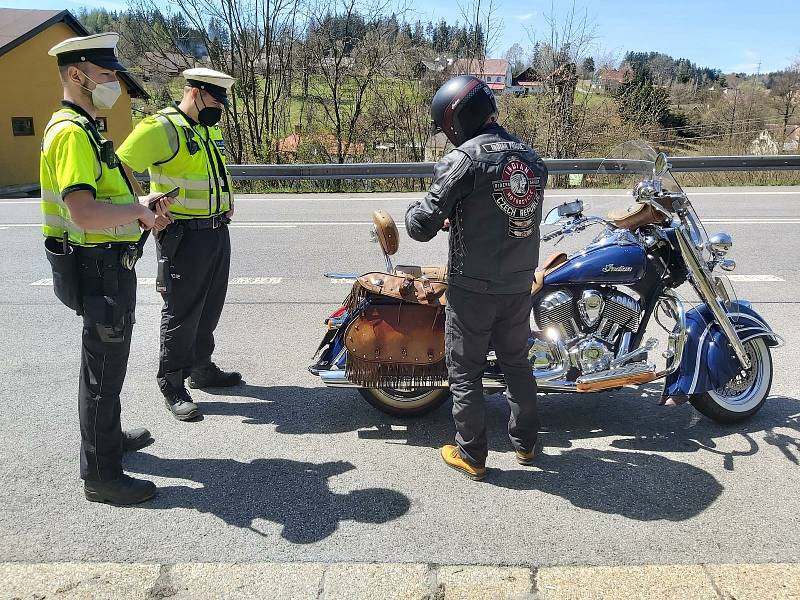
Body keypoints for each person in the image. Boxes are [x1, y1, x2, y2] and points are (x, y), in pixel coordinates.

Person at [41, 32, 172, 504]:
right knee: (102, 374)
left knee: (105, 369)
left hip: (107, 266)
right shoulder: (73, 133)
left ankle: (108, 443)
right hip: (99, 269)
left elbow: (105, 202)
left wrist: (139, 206)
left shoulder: (84, 127)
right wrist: (138, 212)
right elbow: (85, 212)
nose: (114, 83)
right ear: (76, 75)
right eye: (106, 75)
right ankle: (101, 474)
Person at [405, 75, 548, 481]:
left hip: (473, 286)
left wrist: (415, 211)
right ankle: (527, 445)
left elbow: (422, 225)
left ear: (457, 118)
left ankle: (472, 454)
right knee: (517, 364)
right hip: (520, 280)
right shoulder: (531, 158)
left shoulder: (464, 159)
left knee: (465, 369)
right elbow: (510, 213)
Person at [117, 68, 241, 422]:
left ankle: (201, 368)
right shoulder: (162, 127)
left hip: (216, 230)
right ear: (195, 92)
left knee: (209, 305)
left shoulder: (205, 126)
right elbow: (119, 164)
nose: (220, 106)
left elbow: (208, 170)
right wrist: (142, 202)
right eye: (216, 99)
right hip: (182, 234)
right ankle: (171, 382)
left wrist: (226, 197)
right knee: (181, 310)